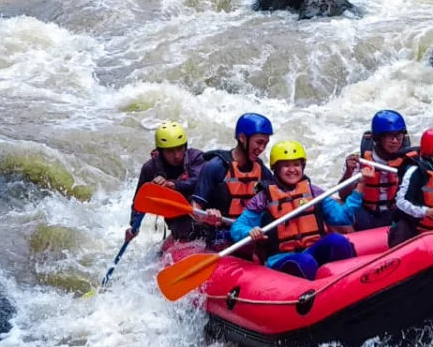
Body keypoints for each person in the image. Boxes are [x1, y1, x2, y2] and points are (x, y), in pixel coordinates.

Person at [231, 141, 358, 279]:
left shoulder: (314, 192)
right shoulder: (263, 199)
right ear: (276, 168)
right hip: (281, 258)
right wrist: (249, 232)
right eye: (286, 165)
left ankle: (348, 283)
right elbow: (237, 227)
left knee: (338, 241)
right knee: (306, 262)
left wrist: (359, 189)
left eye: (296, 165)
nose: (292, 170)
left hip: (312, 250)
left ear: (302, 167)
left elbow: (342, 217)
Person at [192, 113, 275, 249]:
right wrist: (206, 216)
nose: (262, 149)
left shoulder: (262, 171)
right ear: (242, 138)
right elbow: (195, 209)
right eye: (259, 142)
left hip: (250, 234)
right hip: (219, 236)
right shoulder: (215, 167)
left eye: (265, 144)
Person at [126, 122, 207, 244]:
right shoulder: (150, 168)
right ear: (161, 151)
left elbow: (199, 181)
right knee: (184, 231)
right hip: (177, 217)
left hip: (202, 209)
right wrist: (133, 227)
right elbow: (139, 201)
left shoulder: (196, 158)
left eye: (180, 149)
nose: (177, 155)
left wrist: (173, 184)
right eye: (170, 151)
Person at [337, 110, 417, 231]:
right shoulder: (360, 160)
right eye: (390, 135)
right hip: (365, 213)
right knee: (342, 211)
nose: (395, 140)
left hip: (393, 211)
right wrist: (349, 172)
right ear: (378, 138)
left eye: (399, 135)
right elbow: (343, 195)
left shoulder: (409, 160)